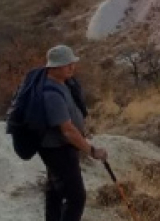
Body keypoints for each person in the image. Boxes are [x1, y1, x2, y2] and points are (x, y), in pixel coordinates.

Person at [38, 45, 105, 221]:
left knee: (55, 191)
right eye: (68, 64)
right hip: (58, 149)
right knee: (76, 197)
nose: (72, 67)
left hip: (57, 148)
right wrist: (91, 150)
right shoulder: (50, 93)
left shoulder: (62, 83)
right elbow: (67, 131)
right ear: (56, 66)